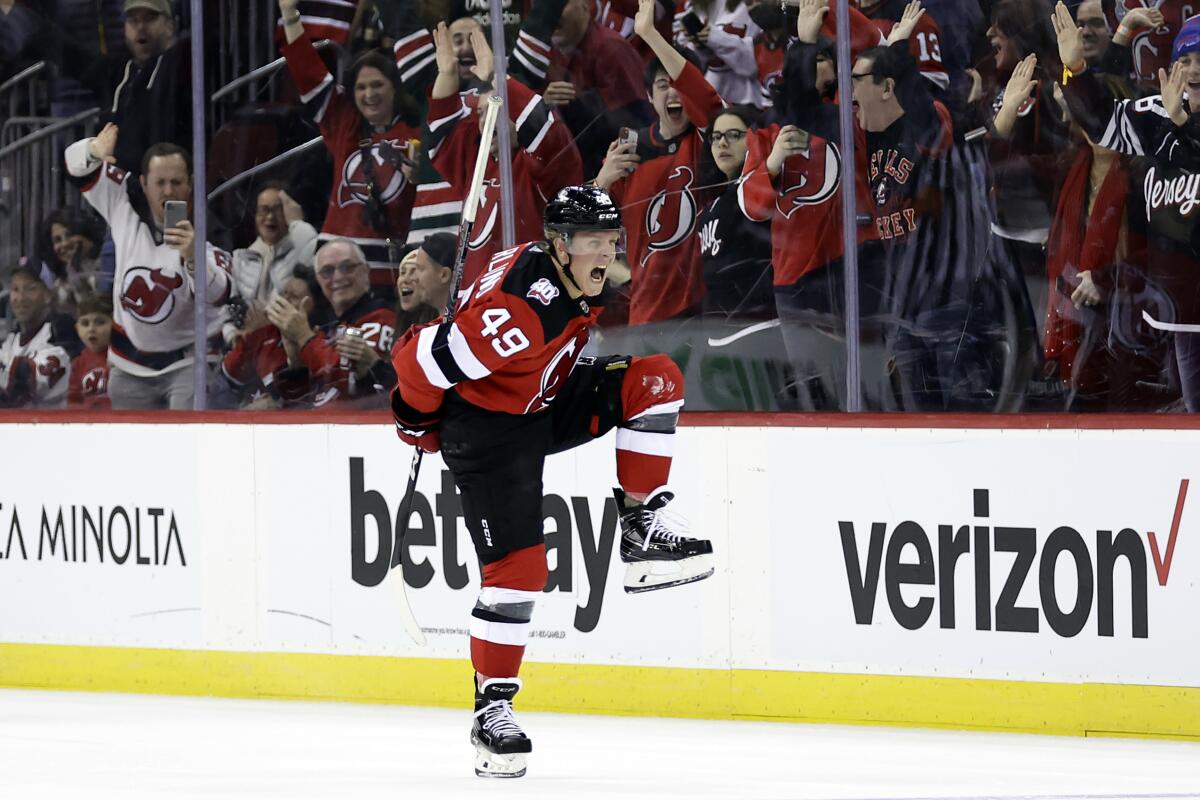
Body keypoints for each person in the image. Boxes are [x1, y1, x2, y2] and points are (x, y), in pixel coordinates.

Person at [389, 186, 714, 778]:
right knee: (519, 572)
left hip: (542, 401)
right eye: (593, 243)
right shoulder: (521, 314)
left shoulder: (556, 271)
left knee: (656, 379)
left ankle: (640, 527)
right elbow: (418, 362)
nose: (607, 254)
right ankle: (492, 713)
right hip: (487, 434)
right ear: (559, 246)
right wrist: (414, 420)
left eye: (611, 241)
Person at [1052, 2, 1200, 410]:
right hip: (1176, 309)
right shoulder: (1158, 114)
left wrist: (1183, 126)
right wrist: (1075, 73)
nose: (1194, 69)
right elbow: (1101, 121)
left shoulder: (1172, 117)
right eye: (1185, 60)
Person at [65, 124, 234, 409]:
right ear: (143, 183)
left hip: (188, 364)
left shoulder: (211, 229)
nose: (169, 191)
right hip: (128, 363)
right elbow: (73, 164)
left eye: (177, 182)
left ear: (191, 184)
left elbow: (219, 295)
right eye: (160, 182)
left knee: (185, 444)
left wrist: (193, 256)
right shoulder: (123, 201)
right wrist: (95, 149)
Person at [278, 0, 422, 296]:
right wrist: (291, 16)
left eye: (377, 85)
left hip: (390, 273)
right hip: (333, 269)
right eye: (360, 87)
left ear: (395, 87)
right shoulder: (344, 124)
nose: (369, 94)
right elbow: (307, 70)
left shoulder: (419, 132)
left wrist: (423, 177)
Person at [594, 0, 724, 324]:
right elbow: (588, 227)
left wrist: (650, 35)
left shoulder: (710, 139)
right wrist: (601, 182)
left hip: (706, 312)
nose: (674, 94)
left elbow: (707, 101)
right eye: (663, 86)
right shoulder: (629, 150)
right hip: (648, 313)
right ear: (649, 96)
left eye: (679, 84)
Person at [426, 21, 582, 286]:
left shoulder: (540, 166)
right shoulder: (477, 164)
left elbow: (544, 126)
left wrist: (497, 76)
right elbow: (440, 135)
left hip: (527, 295)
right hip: (475, 301)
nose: (487, 119)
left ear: (517, 117)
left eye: (498, 108)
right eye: (481, 112)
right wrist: (447, 74)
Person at [266, 238, 396, 406]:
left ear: (366, 271)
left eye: (347, 267)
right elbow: (297, 400)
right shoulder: (326, 327)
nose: (338, 276)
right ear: (319, 280)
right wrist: (296, 364)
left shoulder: (382, 318)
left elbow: (348, 383)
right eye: (327, 271)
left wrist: (305, 338)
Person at [696, 105, 774, 318]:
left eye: (734, 135)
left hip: (758, 327)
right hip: (718, 333)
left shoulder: (760, 191)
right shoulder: (711, 207)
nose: (722, 143)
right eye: (716, 136)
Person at [0, 268, 81, 408]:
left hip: (58, 426)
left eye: (30, 289)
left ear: (48, 294)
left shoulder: (63, 331)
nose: (20, 298)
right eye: (15, 289)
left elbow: (19, 388)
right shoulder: (12, 338)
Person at [68, 292, 113, 409]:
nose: (91, 329)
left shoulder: (123, 359)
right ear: (77, 329)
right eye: (85, 323)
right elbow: (72, 401)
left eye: (100, 322)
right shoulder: (77, 364)